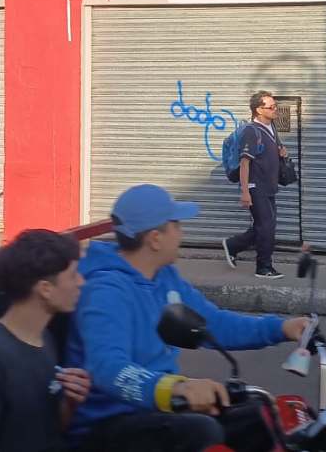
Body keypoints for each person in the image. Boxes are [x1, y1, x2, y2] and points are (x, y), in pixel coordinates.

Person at [66, 183, 311, 452]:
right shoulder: (105, 292)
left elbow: (213, 323)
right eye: (177, 225)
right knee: (202, 431)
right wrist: (176, 389)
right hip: (109, 423)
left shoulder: (164, 277)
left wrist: (282, 328)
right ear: (155, 239)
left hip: (158, 411)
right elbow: (108, 368)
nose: (182, 233)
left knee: (257, 417)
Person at [0, 229, 91, 452]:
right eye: (73, 275)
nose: (81, 282)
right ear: (45, 289)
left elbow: (44, 431)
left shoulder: (45, 340)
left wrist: (69, 403)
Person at [222, 90, 288, 279]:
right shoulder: (251, 131)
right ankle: (263, 267)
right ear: (259, 110)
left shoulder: (271, 128)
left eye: (275, 106)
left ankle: (232, 245)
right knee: (266, 226)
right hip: (255, 186)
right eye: (271, 107)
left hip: (269, 185)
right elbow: (245, 163)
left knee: (265, 225)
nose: (275, 109)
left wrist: (281, 153)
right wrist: (245, 192)